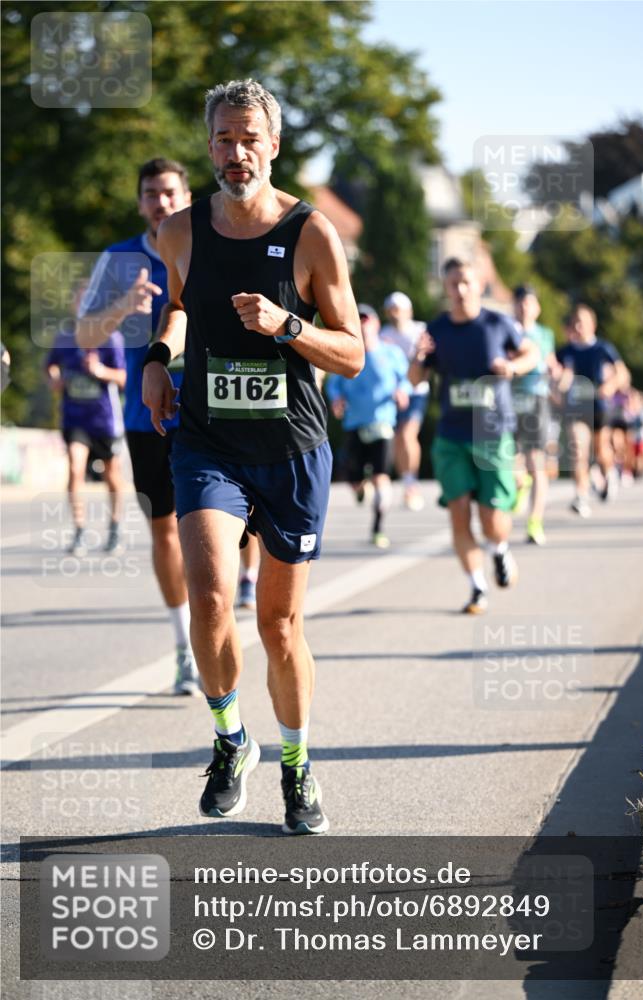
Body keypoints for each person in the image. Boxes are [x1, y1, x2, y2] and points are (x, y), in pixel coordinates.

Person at [142, 79, 363, 834]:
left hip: (292, 450)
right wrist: (154, 361)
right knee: (209, 593)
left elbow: (354, 354)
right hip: (208, 443)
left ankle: (297, 765)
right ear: (209, 147)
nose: (236, 153)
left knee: (277, 625)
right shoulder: (177, 230)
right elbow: (175, 304)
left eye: (249, 139)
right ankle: (231, 738)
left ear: (273, 145)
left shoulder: (310, 235)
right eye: (223, 140)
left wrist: (286, 325)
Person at [76, 158, 199, 695]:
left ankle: (233, 595)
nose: (161, 202)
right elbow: (83, 336)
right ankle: (185, 647)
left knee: (232, 530)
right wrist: (124, 306)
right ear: (140, 202)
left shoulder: (212, 242)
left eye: (170, 192)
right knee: (167, 529)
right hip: (146, 418)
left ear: (187, 195)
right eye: (151, 194)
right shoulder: (119, 259)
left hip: (215, 410)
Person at [409, 258, 538, 615]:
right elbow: (414, 380)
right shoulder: (436, 330)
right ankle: (477, 587)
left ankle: (499, 549)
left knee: (491, 517)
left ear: (479, 284)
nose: (460, 289)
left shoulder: (498, 324)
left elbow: (531, 352)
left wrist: (512, 367)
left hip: (492, 431)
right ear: (446, 287)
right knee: (458, 512)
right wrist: (418, 358)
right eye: (453, 283)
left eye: (466, 282)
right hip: (451, 434)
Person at [46, 281, 126, 555]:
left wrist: (101, 371)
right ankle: (79, 530)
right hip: (74, 417)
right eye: (80, 301)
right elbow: (50, 367)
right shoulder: (65, 337)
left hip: (105, 418)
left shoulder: (111, 337)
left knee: (112, 474)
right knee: (74, 469)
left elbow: (126, 378)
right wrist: (54, 379)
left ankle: (115, 528)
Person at [326, 304, 410, 548]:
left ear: (375, 323)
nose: (363, 324)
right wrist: (336, 399)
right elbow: (334, 384)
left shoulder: (390, 353)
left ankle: (378, 527)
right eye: (358, 320)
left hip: (383, 423)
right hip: (355, 424)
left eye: (366, 320)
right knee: (354, 479)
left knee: (381, 477)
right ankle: (360, 488)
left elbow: (406, 380)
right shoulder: (349, 353)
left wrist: (402, 392)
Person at [556, 304, 627, 517]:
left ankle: (609, 472)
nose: (579, 326)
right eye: (575, 322)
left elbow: (622, 374)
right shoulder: (565, 351)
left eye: (583, 322)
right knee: (578, 449)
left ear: (592, 325)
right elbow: (556, 374)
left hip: (599, 407)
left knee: (601, 450)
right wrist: (558, 385)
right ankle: (581, 495)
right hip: (575, 408)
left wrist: (610, 385)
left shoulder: (603, 348)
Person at [510, 285, 559, 546]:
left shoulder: (544, 334)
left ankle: (535, 521)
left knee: (536, 460)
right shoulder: (506, 329)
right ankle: (520, 483)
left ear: (537, 308)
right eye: (520, 303)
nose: (524, 308)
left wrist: (556, 371)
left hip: (536, 399)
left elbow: (550, 361)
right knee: (509, 459)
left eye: (529, 303)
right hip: (508, 399)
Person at [380, 291, 428, 511]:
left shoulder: (420, 330)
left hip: (416, 392)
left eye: (398, 308)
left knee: (408, 434)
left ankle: (411, 485)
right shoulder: (384, 334)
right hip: (393, 394)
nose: (395, 313)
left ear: (408, 311)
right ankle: (407, 480)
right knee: (399, 438)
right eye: (392, 309)